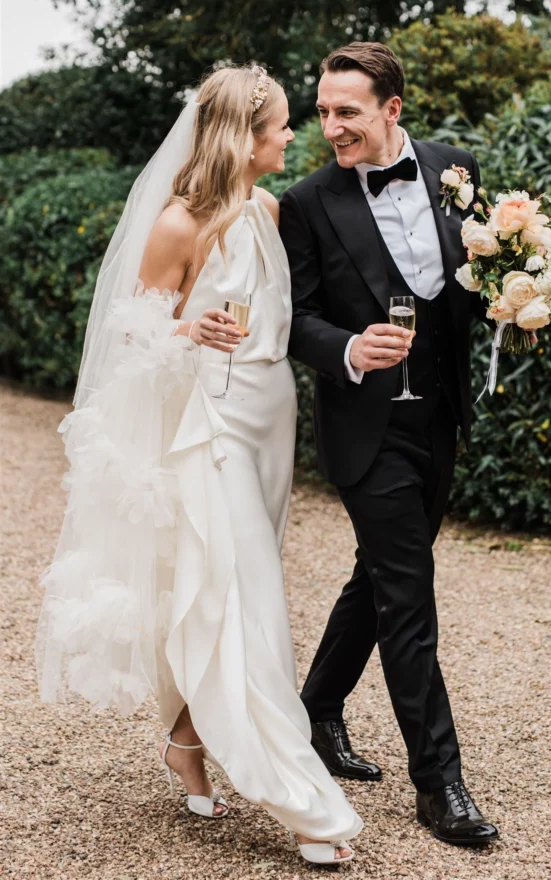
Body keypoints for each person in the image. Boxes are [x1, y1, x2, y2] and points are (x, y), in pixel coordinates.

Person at [36, 65, 362, 865]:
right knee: (236, 597)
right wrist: (185, 334)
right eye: (283, 124)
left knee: (232, 586)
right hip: (207, 426)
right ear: (242, 137)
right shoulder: (178, 225)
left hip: (270, 419)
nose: (294, 135)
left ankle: (186, 738)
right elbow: (126, 339)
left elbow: (299, 313)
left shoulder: (266, 209)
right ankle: (299, 797)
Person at [278, 42, 498, 847]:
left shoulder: (455, 168)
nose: (329, 126)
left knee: (379, 572)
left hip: (438, 418)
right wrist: (344, 347)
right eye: (323, 111)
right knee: (408, 593)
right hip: (366, 430)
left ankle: (315, 711)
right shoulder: (305, 202)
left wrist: (515, 295)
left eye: (347, 112)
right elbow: (292, 315)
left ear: (392, 110)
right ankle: (439, 784)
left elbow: (480, 275)